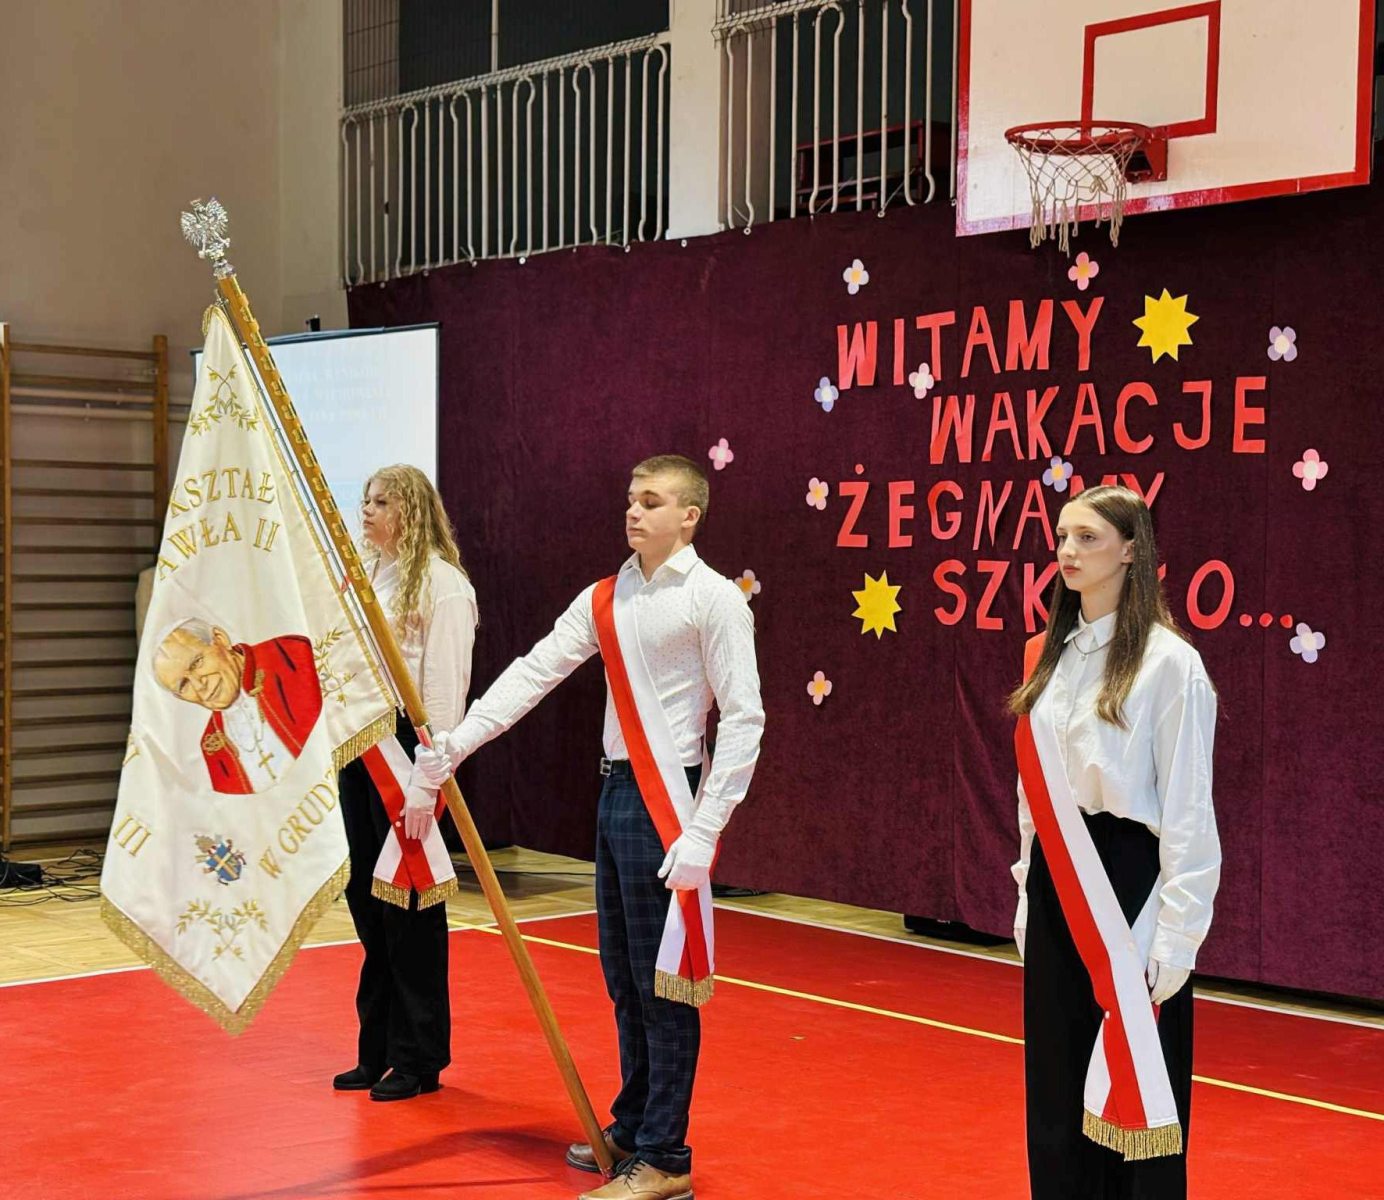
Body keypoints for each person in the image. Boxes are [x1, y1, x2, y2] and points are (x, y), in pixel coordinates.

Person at [414, 454, 764, 1200]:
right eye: (631, 499)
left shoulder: (713, 599)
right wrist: (458, 742)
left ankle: (667, 1156)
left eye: (652, 501)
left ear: (690, 516)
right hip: (615, 794)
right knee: (624, 980)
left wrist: (707, 829)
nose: (634, 511)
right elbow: (534, 670)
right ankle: (635, 1125)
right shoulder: (606, 596)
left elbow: (744, 719)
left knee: (665, 984)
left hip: (670, 802)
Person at [1008, 484, 1220, 1199]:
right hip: (1056, 877)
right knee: (1056, 1084)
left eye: (1088, 538)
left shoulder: (1169, 664)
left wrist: (1179, 933)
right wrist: (1027, 892)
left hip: (1130, 888)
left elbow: (1189, 807)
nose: (1067, 552)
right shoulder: (1046, 655)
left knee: (1138, 1084)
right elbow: (1033, 794)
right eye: (1062, 537)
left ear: (1132, 551)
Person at [333, 465, 477, 1102]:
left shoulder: (444, 586)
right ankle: (377, 1047)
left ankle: (419, 1056)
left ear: (412, 511)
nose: (367, 510)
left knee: (409, 906)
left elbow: (444, 691)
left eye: (382, 501)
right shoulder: (367, 576)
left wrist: (428, 780)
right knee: (367, 900)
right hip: (359, 744)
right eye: (366, 499)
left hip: (408, 751)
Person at [153, 618, 323, 793]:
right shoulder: (212, 746)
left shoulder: (290, 655)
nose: (199, 685)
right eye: (183, 685)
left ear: (220, 639)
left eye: (196, 663)